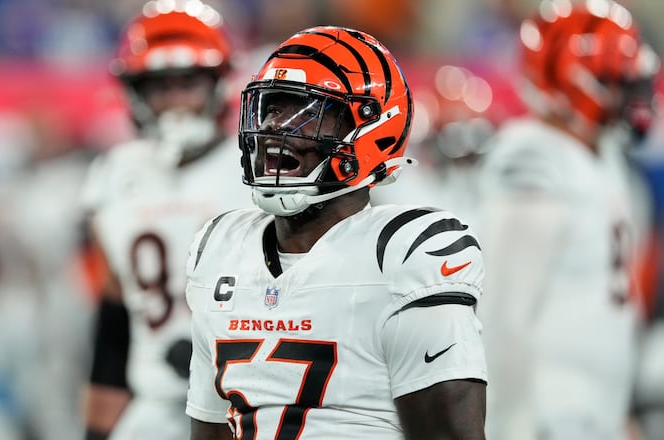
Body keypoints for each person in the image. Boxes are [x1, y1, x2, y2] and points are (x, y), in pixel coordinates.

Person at [185, 26, 488, 440]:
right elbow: (209, 427)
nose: (275, 128)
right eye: (272, 108)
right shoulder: (219, 248)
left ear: (371, 130)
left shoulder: (403, 254)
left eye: (307, 113)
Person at [474, 0, 656, 438]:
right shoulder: (534, 158)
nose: (631, 92)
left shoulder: (601, 155)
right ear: (576, 79)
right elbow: (504, 314)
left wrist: (616, 414)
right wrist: (511, 423)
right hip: (546, 414)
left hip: (595, 410)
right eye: (618, 79)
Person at [80, 1, 250, 439]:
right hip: (155, 400)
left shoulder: (257, 169)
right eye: (160, 86)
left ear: (217, 84)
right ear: (137, 93)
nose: (175, 100)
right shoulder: (115, 174)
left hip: (252, 397)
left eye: (187, 83)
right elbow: (115, 319)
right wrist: (98, 428)